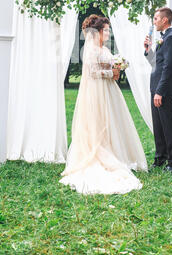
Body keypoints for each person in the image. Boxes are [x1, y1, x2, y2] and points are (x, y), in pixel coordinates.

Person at [60, 15, 148, 194]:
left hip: (108, 90)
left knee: (112, 121)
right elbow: (92, 71)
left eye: (108, 30)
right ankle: (100, 154)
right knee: (99, 122)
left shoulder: (102, 48)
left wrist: (119, 66)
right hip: (97, 91)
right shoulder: (91, 49)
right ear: (97, 32)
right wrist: (112, 73)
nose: (108, 33)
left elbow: (108, 64)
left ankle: (116, 152)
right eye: (106, 30)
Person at [144, 7, 172, 173]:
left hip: (164, 90)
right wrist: (148, 49)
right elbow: (156, 64)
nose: (154, 21)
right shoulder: (164, 38)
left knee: (169, 127)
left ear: (165, 20)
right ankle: (160, 158)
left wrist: (160, 91)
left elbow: (169, 68)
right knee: (158, 126)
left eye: (156, 18)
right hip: (156, 88)